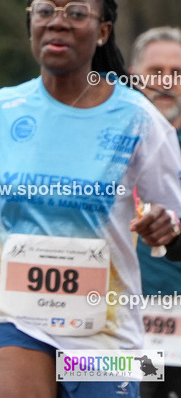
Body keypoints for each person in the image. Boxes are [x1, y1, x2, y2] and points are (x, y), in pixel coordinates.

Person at [0, 0, 181, 398]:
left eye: (76, 12)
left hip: (106, 331)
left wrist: (167, 231)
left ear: (103, 31)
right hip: (14, 318)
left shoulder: (140, 120)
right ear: (31, 23)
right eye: (44, 10)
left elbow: (174, 229)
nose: (57, 21)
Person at [130, 27, 181, 398]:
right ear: (134, 77)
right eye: (156, 70)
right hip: (114, 329)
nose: (166, 81)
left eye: (177, 73)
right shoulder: (104, 142)